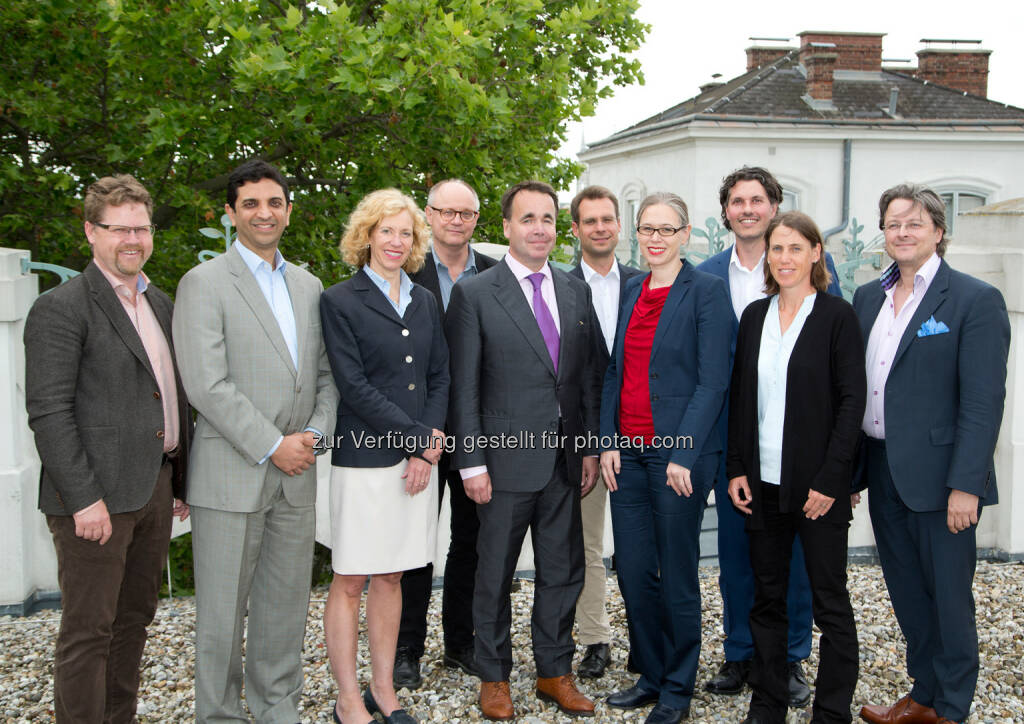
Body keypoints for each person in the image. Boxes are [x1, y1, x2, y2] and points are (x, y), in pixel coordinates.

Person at [173, 159, 339, 722]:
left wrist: (314, 436)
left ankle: (276, 709)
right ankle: (218, 715)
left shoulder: (308, 284)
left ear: (289, 210)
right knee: (221, 615)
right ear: (231, 213)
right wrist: (273, 444)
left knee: (283, 610)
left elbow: (325, 376)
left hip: (297, 476)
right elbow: (206, 384)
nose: (263, 213)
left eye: (274, 202)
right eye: (250, 204)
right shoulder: (205, 283)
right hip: (232, 476)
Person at [24, 174, 191, 724]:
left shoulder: (159, 302)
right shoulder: (62, 308)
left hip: (153, 488)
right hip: (94, 499)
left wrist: (179, 481)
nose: (133, 239)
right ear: (91, 232)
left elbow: (168, 394)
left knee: (133, 620)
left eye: (141, 228)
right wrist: (83, 500)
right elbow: (49, 413)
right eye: (119, 228)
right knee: (87, 632)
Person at [446, 180, 603, 720]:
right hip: (502, 463)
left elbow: (584, 381)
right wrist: (471, 460)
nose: (539, 228)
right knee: (494, 574)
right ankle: (493, 677)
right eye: (528, 218)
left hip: (564, 463)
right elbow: (462, 386)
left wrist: (586, 448)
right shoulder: (475, 294)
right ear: (507, 227)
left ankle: (553, 672)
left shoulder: (574, 290)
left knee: (563, 572)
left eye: (547, 219)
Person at [854, 184, 1009, 724]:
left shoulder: (973, 300)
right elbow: (861, 389)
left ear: (939, 231)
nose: (902, 232)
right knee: (906, 592)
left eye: (915, 223)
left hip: (943, 478)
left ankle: (952, 708)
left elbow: (984, 401)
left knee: (948, 598)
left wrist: (967, 483)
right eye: (893, 223)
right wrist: (851, 473)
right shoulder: (868, 297)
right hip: (881, 466)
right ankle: (923, 695)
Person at [698, 166, 843, 706]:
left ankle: (790, 657)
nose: (748, 209)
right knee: (736, 553)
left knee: (797, 560)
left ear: (776, 206)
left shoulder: (802, 266)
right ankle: (742, 653)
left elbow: (836, 373)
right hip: (731, 437)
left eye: (758, 200)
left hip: (797, 445)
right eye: (738, 201)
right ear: (726, 212)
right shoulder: (707, 275)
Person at [726, 211, 866, 724]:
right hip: (760, 484)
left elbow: (852, 404)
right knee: (767, 598)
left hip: (817, 488)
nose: (784, 258)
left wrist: (833, 479)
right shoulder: (754, 317)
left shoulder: (837, 317)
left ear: (815, 254)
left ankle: (831, 712)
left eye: (794, 248)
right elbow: (742, 398)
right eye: (776, 249)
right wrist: (737, 467)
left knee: (829, 601)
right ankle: (767, 703)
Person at [600, 192, 732, 724]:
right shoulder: (632, 289)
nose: (654, 238)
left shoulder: (707, 292)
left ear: (685, 234)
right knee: (632, 569)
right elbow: (616, 372)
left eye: (665, 229)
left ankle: (678, 686)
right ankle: (650, 674)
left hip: (677, 456)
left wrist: (684, 451)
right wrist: (606, 441)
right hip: (627, 452)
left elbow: (712, 381)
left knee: (676, 569)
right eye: (647, 229)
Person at [320, 188, 450, 724]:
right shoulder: (340, 300)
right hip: (364, 460)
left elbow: (439, 374)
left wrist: (428, 445)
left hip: (416, 464)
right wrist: (417, 437)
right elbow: (352, 386)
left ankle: (382, 689)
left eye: (405, 232)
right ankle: (348, 697)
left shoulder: (424, 300)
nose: (396, 241)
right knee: (352, 578)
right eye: (386, 230)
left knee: (394, 575)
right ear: (367, 235)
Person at [394, 178, 496, 689]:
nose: (456, 221)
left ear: (477, 220)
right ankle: (406, 649)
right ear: (428, 215)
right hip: (420, 433)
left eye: (466, 213)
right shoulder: (402, 271)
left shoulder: (498, 275)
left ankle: (461, 643)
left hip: (478, 433)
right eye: (446, 212)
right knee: (413, 542)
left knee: (471, 542)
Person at [568, 185, 643, 679]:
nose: (599, 227)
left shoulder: (646, 283)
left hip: (643, 436)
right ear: (574, 230)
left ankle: (648, 641)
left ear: (619, 226)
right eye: (589, 220)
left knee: (643, 547)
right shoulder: (558, 286)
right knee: (586, 544)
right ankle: (595, 639)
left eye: (607, 219)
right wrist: (587, 444)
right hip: (584, 438)